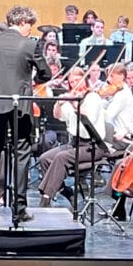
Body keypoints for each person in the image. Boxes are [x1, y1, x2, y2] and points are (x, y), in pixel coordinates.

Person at [0, 5, 52, 223]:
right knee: (22, 155)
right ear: (23, 23)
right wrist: (31, 79)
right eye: (30, 25)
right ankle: (19, 209)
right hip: (20, 108)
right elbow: (46, 73)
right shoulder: (30, 45)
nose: (30, 30)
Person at [36, 67, 106, 207]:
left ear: (84, 80)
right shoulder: (72, 96)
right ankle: (66, 191)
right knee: (44, 158)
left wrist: (75, 104)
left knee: (61, 158)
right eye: (71, 82)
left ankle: (46, 197)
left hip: (92, 146)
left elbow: (88, 120)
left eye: (77, 81)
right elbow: (58, 116)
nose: (74, 84)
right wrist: (59, 104)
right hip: (75, 143)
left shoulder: (93, 98)